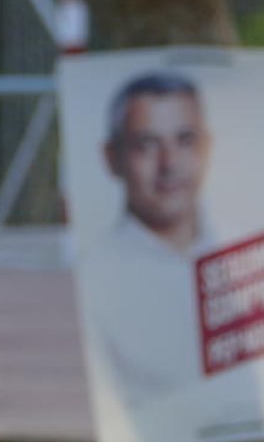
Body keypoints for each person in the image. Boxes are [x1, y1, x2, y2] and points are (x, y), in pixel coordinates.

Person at [77, 71, 218, 407]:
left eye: (184, 140)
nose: (169, 163)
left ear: (207, 147)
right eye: (147, 144)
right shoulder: (97, 276)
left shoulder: (251, 250)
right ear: (112, 157)